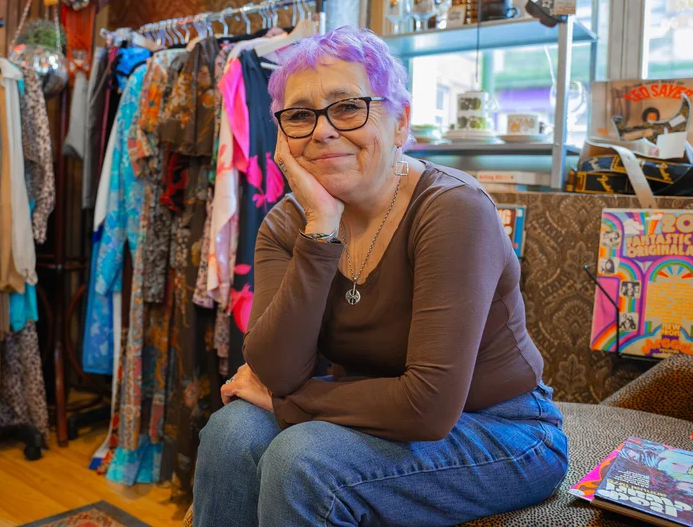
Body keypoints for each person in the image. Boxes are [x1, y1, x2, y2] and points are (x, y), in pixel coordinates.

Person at [192, 27, 568, 527]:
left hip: (504, 430)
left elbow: (428, 408)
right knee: (231, 432)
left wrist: (290, 404)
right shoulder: (289, 223)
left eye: (348, 107)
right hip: (371, 416)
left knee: (302, 459)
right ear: (283, 136)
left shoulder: (454, 209)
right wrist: (321, 231)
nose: (323, 130)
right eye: (301, 115)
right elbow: (276, 370)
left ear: (400, 122)